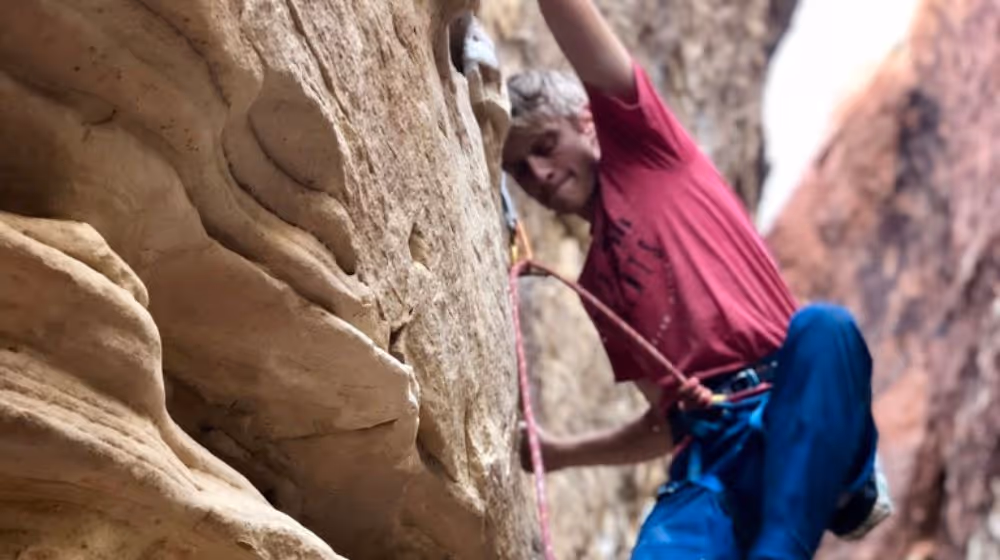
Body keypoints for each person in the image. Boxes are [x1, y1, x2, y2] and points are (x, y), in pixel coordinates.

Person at [501, 1, 893, 558]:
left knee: (825, 330)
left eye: (545, 146)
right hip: (711, 454)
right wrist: (561, 452)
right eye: (518, 168)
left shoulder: (647, 148)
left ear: (588, 124)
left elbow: (569, 17)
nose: (537, 174)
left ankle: (798, 529)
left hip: (790, 405)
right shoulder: (596, 289)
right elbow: (663, 424)